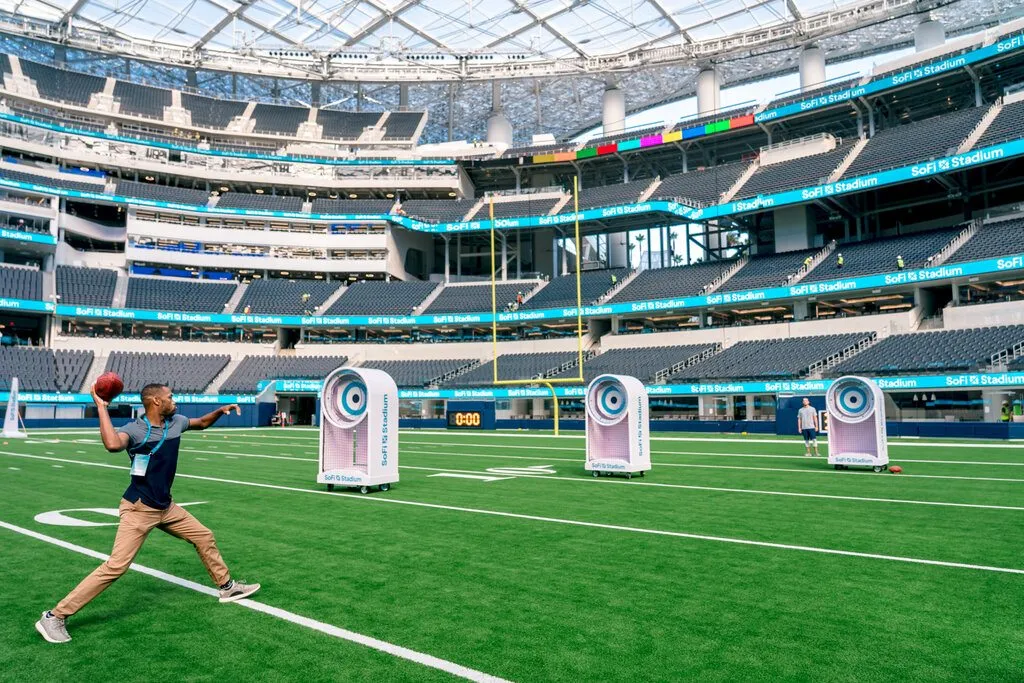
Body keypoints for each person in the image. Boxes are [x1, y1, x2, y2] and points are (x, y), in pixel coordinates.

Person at [36, 383, 259, 644]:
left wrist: (220, 411)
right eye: (170, 397)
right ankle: (54, 616)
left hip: (166, 507)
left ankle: (227, 588)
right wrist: (101, 407)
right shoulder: (134, 429)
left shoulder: (176, 422)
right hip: (139, 509)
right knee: (116, 566)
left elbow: (201, 423)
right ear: (155, 401)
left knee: (204, 536)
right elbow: (112, 444)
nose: (174, 400)